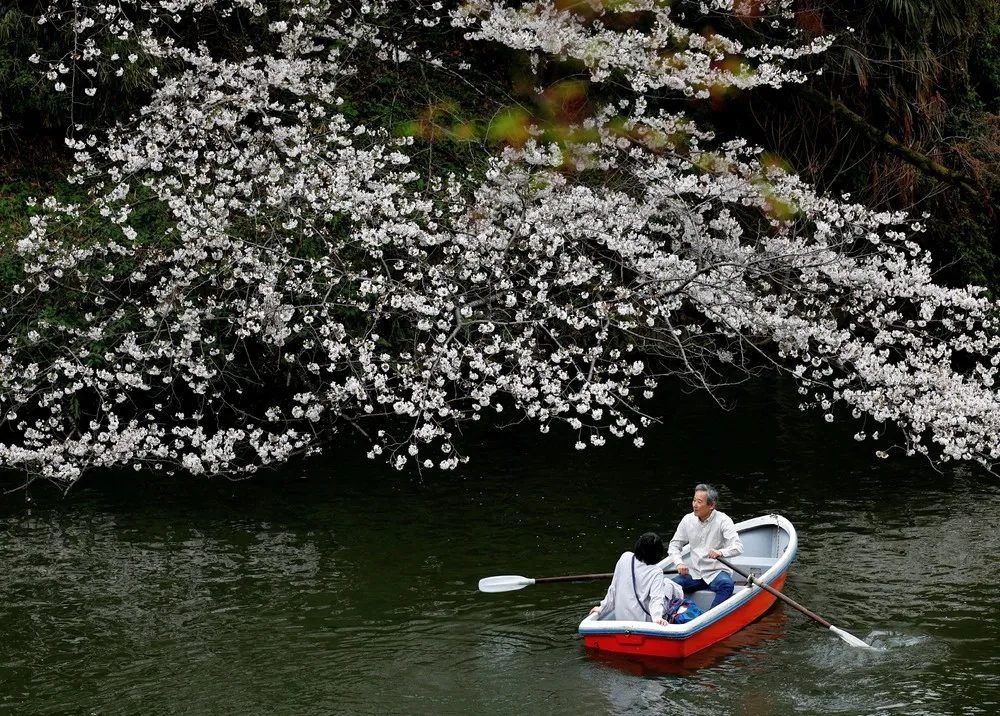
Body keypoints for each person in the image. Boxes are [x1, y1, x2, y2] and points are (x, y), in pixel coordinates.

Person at [668, 483, 744, 609]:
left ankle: (709, 617)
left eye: (699, 502)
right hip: (695, 573)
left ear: (712, 505)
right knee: (669, 585)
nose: (695, 505)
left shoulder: (723, 520)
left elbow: (738, 546)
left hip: (716, 572)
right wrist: (679, 563)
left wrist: (721, 552)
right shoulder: (687, 520)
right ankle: (672, 615)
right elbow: (674, 545)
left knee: (727, 585)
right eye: (694, 500)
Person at [590, 532, 682, 624]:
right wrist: (657, 618)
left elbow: (613, 588)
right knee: (671, 586)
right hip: (643, 622)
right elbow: (656, 598)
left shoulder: (625, 557)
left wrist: (602, 608)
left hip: (621, 620)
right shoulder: (656, 571)